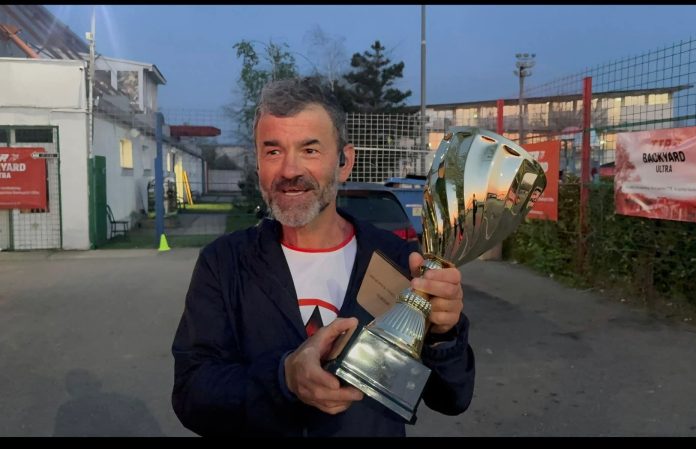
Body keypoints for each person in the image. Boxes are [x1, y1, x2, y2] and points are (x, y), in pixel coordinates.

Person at [171, 77, 475, 437]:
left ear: (344, 162)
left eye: (310, 150)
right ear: (258, 166)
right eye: (273, 152)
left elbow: (451, 397)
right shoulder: (224, 263)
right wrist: (284, 378)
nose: (289, 170)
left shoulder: (397, 259)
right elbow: (192, 394)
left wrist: (444, 334)